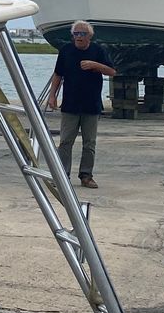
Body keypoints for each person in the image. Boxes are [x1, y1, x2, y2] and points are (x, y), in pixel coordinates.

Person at [47, 20, 116, 189]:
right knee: (65, 142)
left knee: (89, 142)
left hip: (91, 104)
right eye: (76, 34)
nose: (78, 37)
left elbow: (112, 72)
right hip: (70, 104)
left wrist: (95, 65)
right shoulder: (66, 51)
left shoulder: (98, 50)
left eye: (82, 34)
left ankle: (86, 175)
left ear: (89, 36)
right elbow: (58, 75)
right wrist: (52, 96)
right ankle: (62, 175)